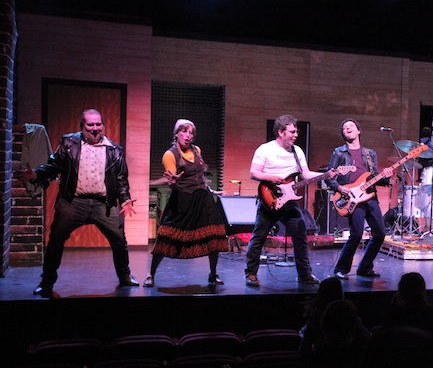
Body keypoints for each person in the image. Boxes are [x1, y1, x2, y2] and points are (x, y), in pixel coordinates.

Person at [15, 109, 138, 296]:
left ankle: (125, 276)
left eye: (98, 124)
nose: (95, 128)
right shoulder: (69, 143)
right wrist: (36, 174)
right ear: (82, 126)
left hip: (103, 204)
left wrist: (125, 199)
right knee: (56, 240)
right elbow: (54, 165)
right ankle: (46, 282)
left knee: (119, 240)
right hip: (73, 202)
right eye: (90, 125)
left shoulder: (115, 150)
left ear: (103, 126)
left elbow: (121, 180)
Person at [244, 114, 334, 287]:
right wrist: (270, 177)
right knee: (259, 236)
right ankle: (251, 274)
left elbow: (305, 175)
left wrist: (326, 174)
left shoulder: (297, 151)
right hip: (270, 198)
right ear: (281, 132)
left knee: (300, 236)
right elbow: (253, 173)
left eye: (296, 132)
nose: (296, 135)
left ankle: (304, 274)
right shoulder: (265, 149)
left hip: (290, 201)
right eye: (292, 132)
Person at [143, 119, 229, 287]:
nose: (188, 136)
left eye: (191, 133)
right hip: (183, 199)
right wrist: (173, 182)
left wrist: (211, 190)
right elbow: (172, 182)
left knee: (214, 235)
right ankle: (151, 273)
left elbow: (200, 176)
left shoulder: (197, 150)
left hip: (203, 199)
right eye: (184, 131)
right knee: (167, 236)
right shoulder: (170, 155)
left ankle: (213, 274)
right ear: (177, 133)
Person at [325, 119, 393, 280]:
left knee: (380, 234)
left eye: (351, 126)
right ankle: (341, 269)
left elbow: (374, 177)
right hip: (352, 197)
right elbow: (328, 176)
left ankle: (365, 267)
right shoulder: (339, 152)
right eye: (344, 127)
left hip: (370, 195)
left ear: (358, 131)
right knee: (356, 234)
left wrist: (386, 177)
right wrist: (340, 188)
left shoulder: (370, 154)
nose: (347, 128)